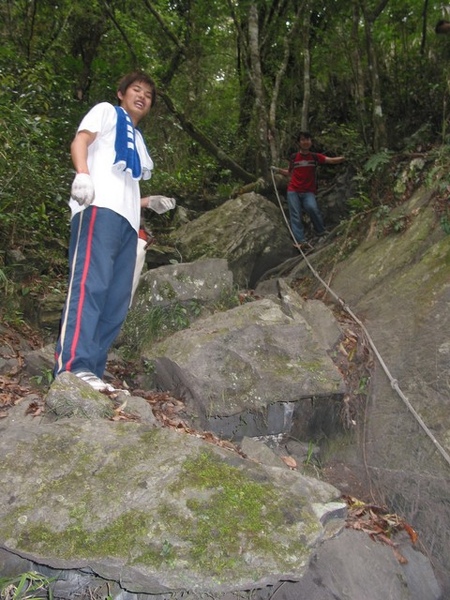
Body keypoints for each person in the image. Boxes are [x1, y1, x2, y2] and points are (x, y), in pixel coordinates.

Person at [54, 71, 175, 393]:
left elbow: (124, 181)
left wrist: (147, 201)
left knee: (116, 302)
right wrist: (82, 175)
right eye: (136, 90)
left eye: (148, 95)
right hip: (98, 208)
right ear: (122, 93)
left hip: (127, 222)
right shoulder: (107, 112)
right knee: (90, 286)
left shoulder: (137, 142)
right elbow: (81, 140)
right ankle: (72, 367)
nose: (142, 97)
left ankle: (92, 370)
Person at [272, 131, 345, 248]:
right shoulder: (294, 157)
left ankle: (320, 231)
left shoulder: (315, 157)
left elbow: (331, 160)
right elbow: (290, 173)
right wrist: (277, 170)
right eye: (303, 140)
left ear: (311, 142)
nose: (305, 142)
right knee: (295, 214)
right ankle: (300, 241)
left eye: (308, 139)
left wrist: (345, 157)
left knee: (312, 208)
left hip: (308, 191)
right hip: (293, 190)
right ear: (299, 143)